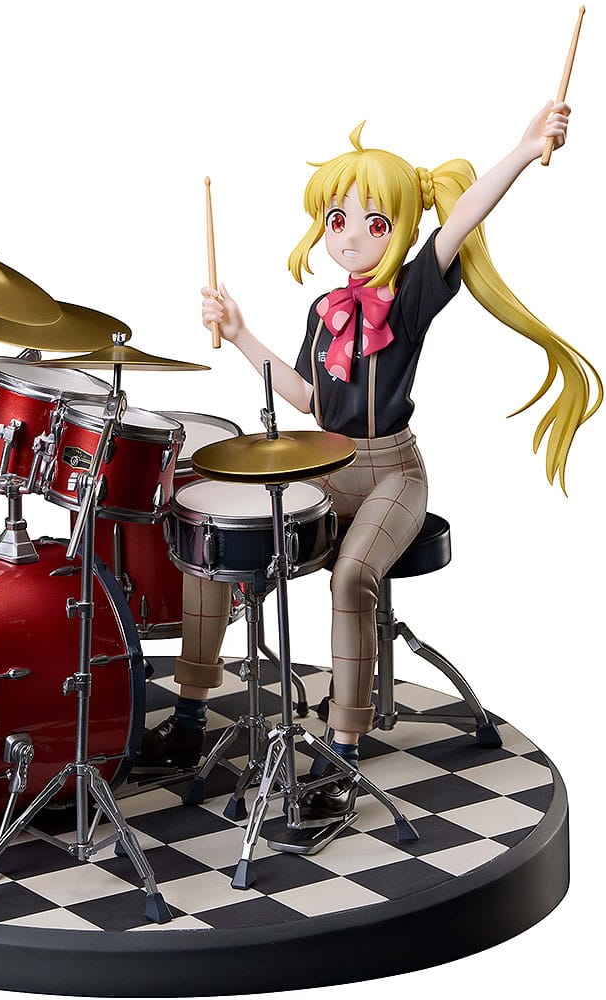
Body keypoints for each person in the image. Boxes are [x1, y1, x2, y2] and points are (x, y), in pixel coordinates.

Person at [139, 102, 601, 823]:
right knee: (213, 542)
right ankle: (191, 715)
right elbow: (305, 396)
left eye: (374, 223)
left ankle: (342, 749)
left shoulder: (409, 297)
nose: (351, 235)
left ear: (401, 230)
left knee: (352, 577)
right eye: (338, 219)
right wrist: (239, 332)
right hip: (323, 467)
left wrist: (521, 149)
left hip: (392, 473)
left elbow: (460, 222)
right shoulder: (325, 308)